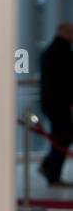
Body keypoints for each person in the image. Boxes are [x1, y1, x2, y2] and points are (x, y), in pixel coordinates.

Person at [39, 22, 73, 186]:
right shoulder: (62, 51)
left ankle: (48, 167)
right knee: (63, 136)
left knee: (62, 137)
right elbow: (66, 81)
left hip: (51, 102)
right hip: (59, 103)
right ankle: (52, 174)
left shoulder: (50, 50)